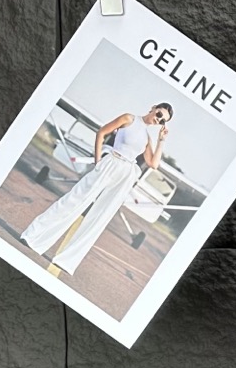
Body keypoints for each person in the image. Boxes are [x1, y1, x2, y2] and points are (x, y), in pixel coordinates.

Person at [20, 102, 173, 274]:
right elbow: (102, 132)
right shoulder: (129, 118)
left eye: (162, 121)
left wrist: (161, 140)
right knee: (73, 200)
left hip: (126, 174)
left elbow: (153, 164)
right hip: (110, 162)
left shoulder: (148, 138)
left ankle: (66, 261)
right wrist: (98, 160)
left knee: (100, 217)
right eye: (159, 114)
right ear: (153, 108)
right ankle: (33, 236)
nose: (158, 120)